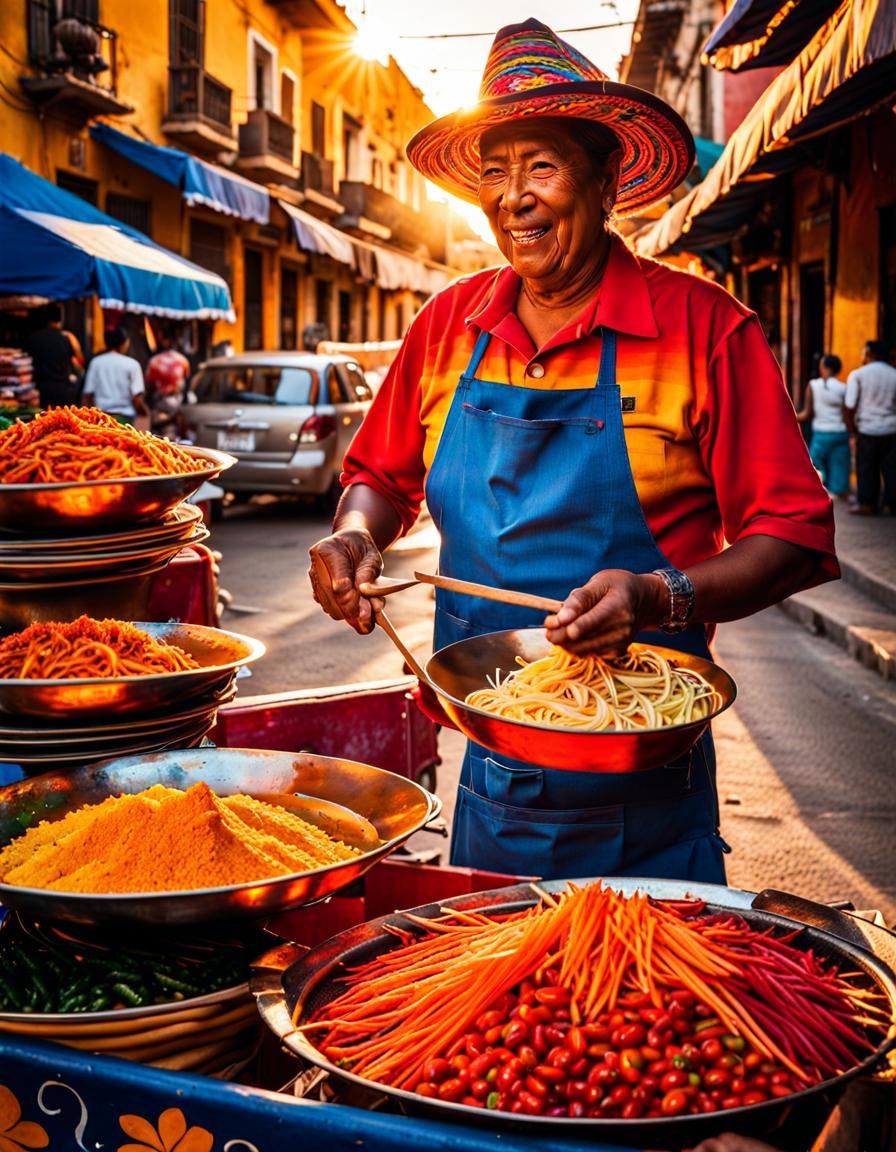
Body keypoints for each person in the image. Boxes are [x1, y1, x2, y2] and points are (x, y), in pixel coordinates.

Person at [307, 19, 838, 885]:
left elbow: (794, 536)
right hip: (492, 755)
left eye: (541, 166)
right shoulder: (448, 323)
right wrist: (358, 536)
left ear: (606, 180)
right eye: (495, 171)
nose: (513, 196)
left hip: (647, 784)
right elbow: (377, 477)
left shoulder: (705, 330)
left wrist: (661, 595)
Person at [844, 339, 896, 514]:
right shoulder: (894, 374)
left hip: (866, 429)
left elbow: (849, 406)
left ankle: (868, 503)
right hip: (891, 429)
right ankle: (891, 505)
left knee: (866, 468)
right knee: (891, 469)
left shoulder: (858, 375)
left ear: (869, 353)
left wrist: (852, 431)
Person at [795, 354, 850, 497]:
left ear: (825, 367)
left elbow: (807, 414)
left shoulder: (813, 385)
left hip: (821, 434)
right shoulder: (843, 388)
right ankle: (836, 492)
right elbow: (846, 415)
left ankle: (820, 490)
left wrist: (790, 418)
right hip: (840, 433)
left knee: (816, 464)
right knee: (839, 465)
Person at [82, 326, 146, 425]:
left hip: (101, 417)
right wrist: (144, 412)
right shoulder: (132, 364)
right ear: (123, 343)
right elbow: (137, 398)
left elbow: (88, 395)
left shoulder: (96, 362)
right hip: (125, 418)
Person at [24, 303, 84, 408]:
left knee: (42, 420)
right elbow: (79, 360)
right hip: (63, 389)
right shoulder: (67, 337)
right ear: (59, 320)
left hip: (40, 389)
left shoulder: (33, 338)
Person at [145, 333, 191, 438]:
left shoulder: (154, 361)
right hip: (175, 403)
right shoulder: (183, 360)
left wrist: (149, 405)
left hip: (159, 404)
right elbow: (186, 384)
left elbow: (149, 386)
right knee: (173, 437)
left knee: (156, 438)